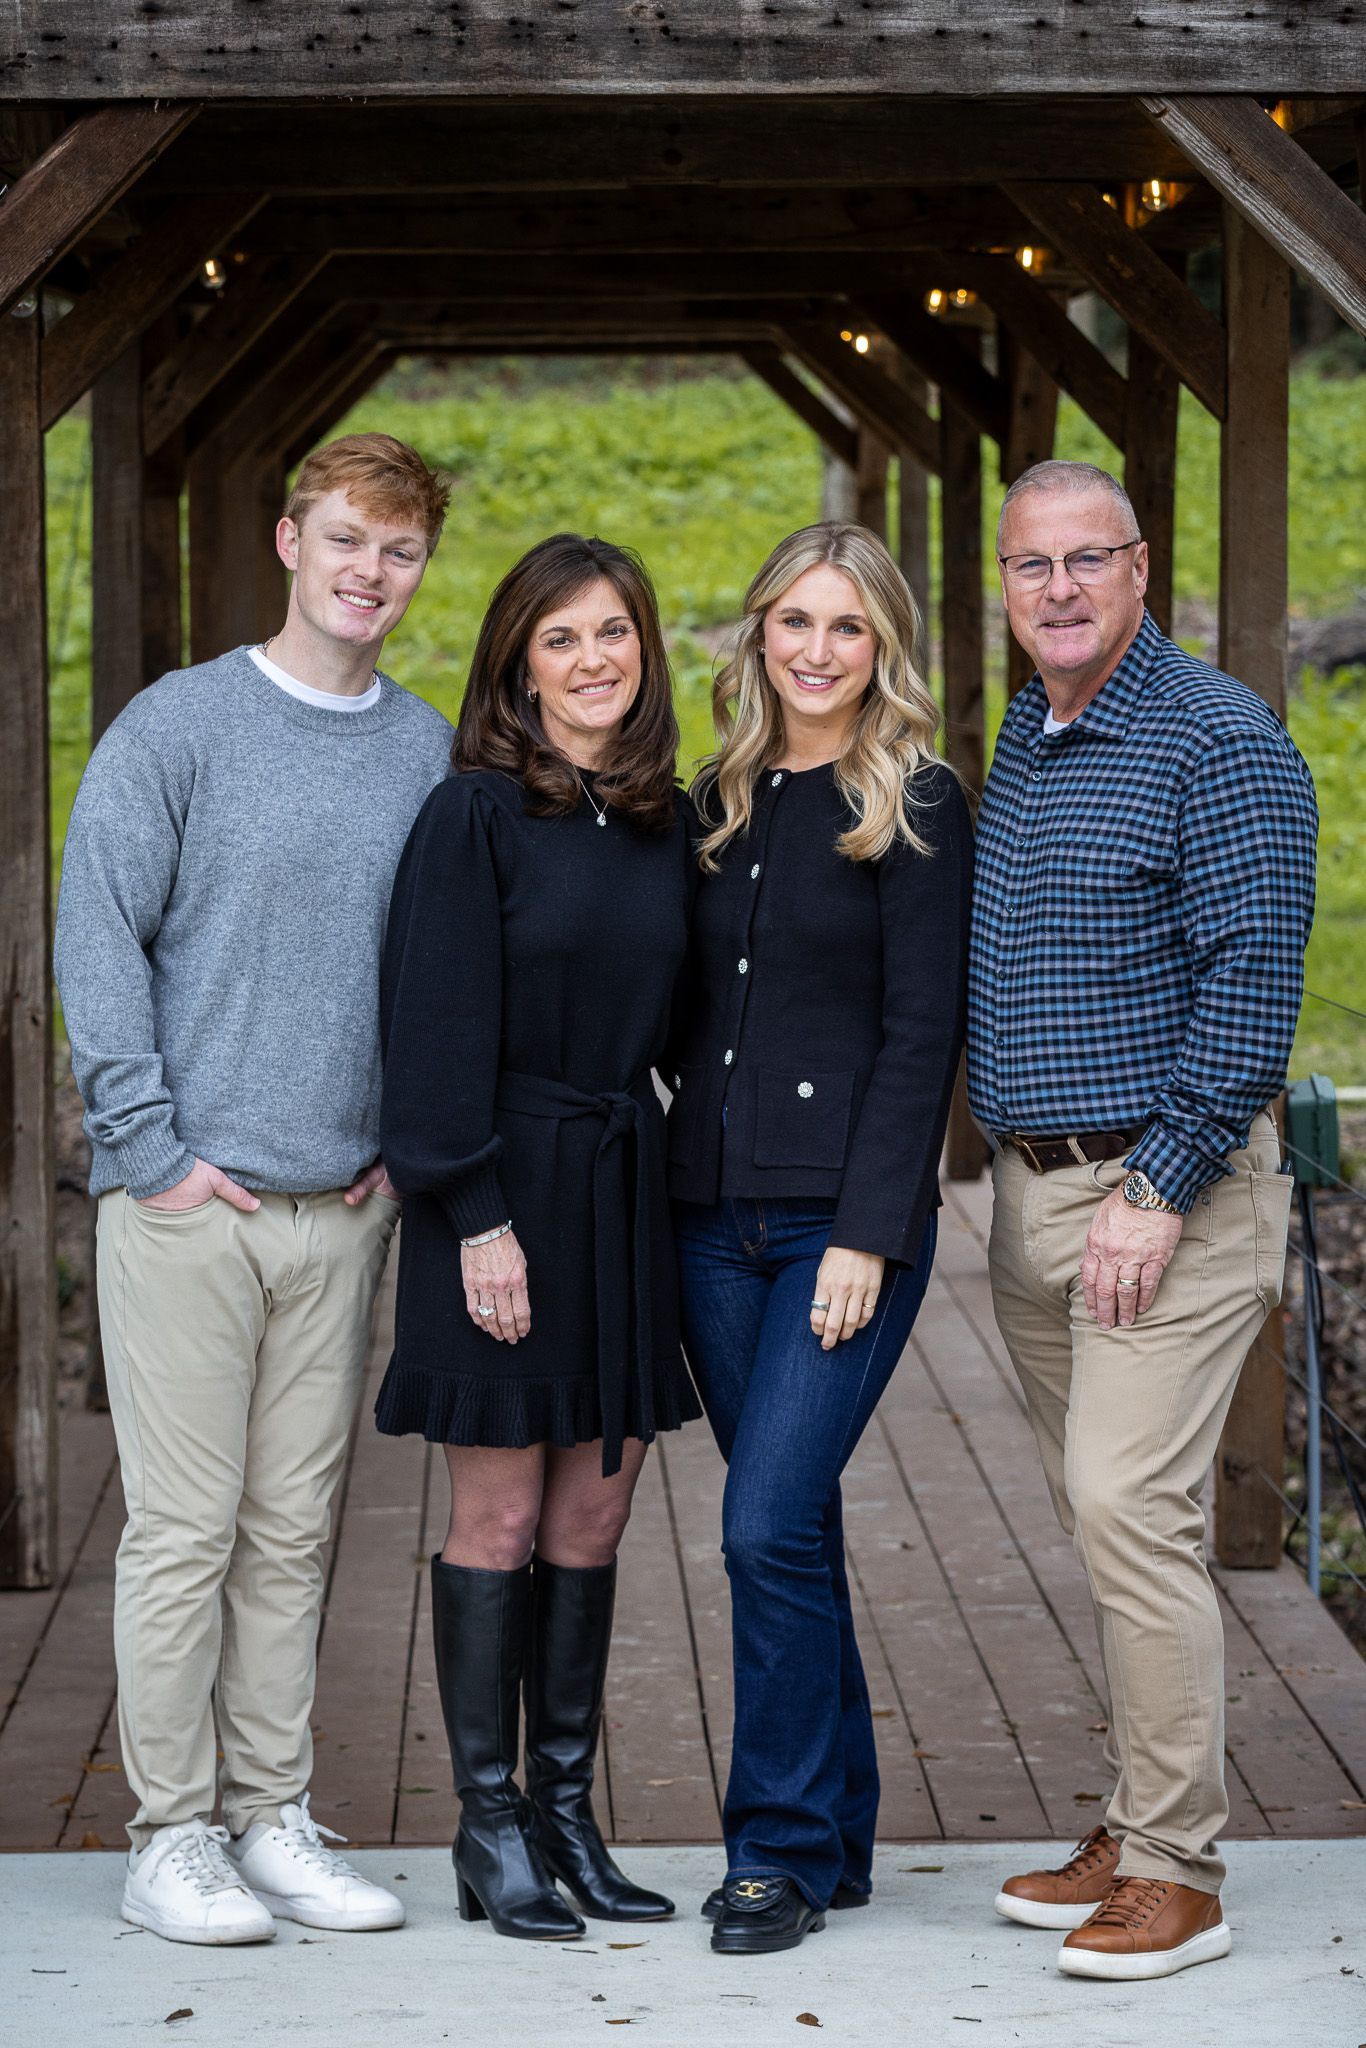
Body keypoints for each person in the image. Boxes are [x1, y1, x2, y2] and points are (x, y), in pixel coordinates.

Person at [53, 433, 454, 1946]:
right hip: (189, 1209)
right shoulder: (180, 728)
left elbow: (432, 971)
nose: (369, 572)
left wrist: (400, 1148)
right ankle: (170, 1839)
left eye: (399, 552)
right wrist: (152, 1151)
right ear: (289, 541)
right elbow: (98, 940)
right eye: (346, 539)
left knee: (295, 1532)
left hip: (342, 1209)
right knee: (182, 1532)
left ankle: (269, 1816)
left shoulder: (421, 752)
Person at [969, 460, 1317, 1981]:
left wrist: (1157, 1185)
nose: (1055, 589)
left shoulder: (1218, 740)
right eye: (1029, 565)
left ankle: (1176, 1868)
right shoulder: (1030, 731)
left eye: (1083, 561)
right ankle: (1132, 1814)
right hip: (1033, 1200)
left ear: (1139, 566)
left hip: (1157, 1201)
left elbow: (1251, 989)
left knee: (1128, 1514)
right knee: (1105, 1525)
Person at [375, 533, 702, 1942]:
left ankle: (569, 1812)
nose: (591, 660)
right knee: (499, 1517)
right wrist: (477, 1220)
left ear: (644, 652)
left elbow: (694, 1018)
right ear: (516, 660)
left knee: (596, 1508)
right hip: (497, 1193)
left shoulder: (665, 819)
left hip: (617, 1189)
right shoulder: (472, 819)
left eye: (613, 633)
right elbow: (428, 1029)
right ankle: (489, 1822)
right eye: (561, 637)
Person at [667, 522, 972, 1955]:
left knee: (759, 1523)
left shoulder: (912, 799)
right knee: (789, 1530)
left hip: (832, 1234)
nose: (813, 650)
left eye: (843, 627)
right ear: (756, 633)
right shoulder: (716, 795)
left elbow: (921, 1038)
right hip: (708, 1222)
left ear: (881, 643)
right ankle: (835, 1838)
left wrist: (867, 1231)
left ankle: (772, 1853)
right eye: (791, 621)